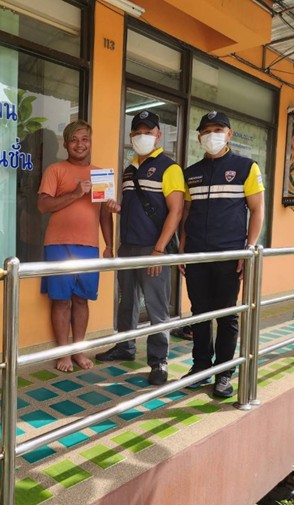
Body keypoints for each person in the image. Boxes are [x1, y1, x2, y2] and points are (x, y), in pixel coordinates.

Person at [95, 111, 184, 386]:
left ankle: (159, 361)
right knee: (127, 301)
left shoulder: (170, 168)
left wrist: (159, 250)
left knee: (156, 306)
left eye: (149, 132)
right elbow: (134, 207)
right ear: (131, 136)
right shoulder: (128, 170)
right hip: (129, 247)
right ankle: (125, 346)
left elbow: (176, 211)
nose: (143, 136)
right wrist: (116, 208)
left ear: (158, 135)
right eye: (138, 132)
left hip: (153, 248)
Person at [179, 111, 265, 398]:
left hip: (230, 255)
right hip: (196, 255)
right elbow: (187, 212)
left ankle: (224, 373)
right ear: (199, 137)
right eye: (206, 131)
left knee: (227, 315)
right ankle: (201, 367)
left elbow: (257, 210)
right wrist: (183, 247)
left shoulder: (246, 167)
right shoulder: (191, 172)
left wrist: (249, 248)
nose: (212, 135)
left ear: (229, 134)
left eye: (218, 129)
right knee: (200, 313)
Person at [38, 120, 114, 372]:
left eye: (84, 139)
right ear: (66, 144)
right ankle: (63, 354)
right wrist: (75, 193)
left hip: (89, 247)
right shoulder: (55, 170)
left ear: (90, 142)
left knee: (82, 300)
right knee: (61, 301)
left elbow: (105, 215)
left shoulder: (101, 174)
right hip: (58, 245)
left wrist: (109, 245)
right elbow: (43, 206)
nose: (79, 145)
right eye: (74, 140)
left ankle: (78, 351)